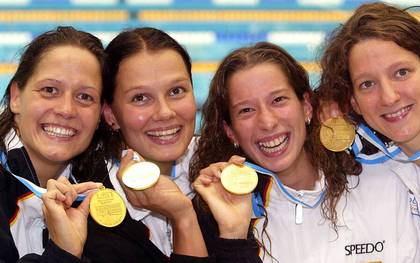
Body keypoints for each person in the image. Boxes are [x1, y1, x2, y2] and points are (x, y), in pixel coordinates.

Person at [190, 41, 420, 262]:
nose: (267, 122)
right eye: (246, 110)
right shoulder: (216, 215)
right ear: (230, 131)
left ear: (307, 106)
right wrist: (233, 236)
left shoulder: (383, 176)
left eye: (279, 100)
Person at [83, 27, 258, 263]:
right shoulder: (85, 206)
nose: (165, 113)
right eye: (140, 98)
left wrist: (234, 235)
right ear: (110, 114)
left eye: (176, 91)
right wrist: (182, 216)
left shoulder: (223, 179)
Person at [317, 2, 420, 262]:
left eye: (401, 72)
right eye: (367, 84)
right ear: (354, 103)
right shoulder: (397, 169)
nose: (388, 97)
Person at [0, 26, 106, 261]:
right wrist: (63, 254)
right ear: (16, 97)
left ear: (101, 114)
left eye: (84, 96)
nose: (66, 110)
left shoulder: (100, 190)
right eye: (50, 90)